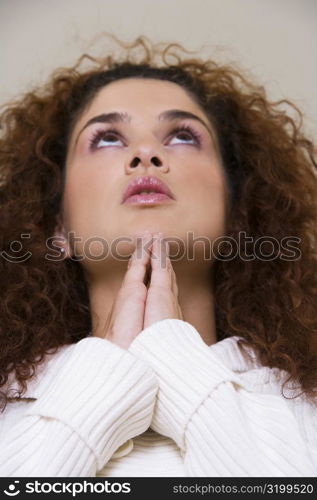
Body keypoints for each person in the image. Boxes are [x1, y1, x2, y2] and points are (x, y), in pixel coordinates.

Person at [0, 35, 316, 477]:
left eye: (183, 136)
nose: (145, 154)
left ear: (238, 219)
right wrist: (106, 376)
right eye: (107, 138)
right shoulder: (7, 408)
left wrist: (176, 360)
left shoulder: (304, 405)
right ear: (57, 229)